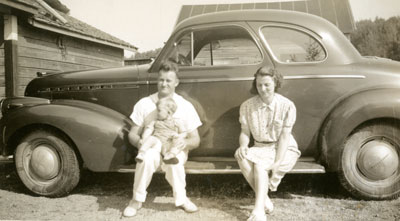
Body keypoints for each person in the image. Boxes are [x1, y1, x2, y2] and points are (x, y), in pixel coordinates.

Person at [123, 61, 202, 217]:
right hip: (153, 146)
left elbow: (196, 139)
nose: (164, 84)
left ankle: (182, 199)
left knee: (175, 162)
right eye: (161, 80)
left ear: (176, 83)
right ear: (157, 80)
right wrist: (139, 143)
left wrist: (184, 142)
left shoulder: (185, 106)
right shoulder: (144, 104)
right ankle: (136, 200)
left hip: (173, 148)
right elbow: (132, 133)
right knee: (146, 158)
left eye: (168, 80)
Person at [235, 67, 301, 221]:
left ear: (275, 83)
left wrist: (278, 162)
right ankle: (264, 199)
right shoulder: (247, 106)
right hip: (260, 147)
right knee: (241, 156)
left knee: (259, 165)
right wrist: (243, 145)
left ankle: (258, 211)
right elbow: (245, 132)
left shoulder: (287, 105)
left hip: (283, 148)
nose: (263, 89)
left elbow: (285, 137)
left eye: (267, 85)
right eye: (259, 85)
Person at [135, 97, 187, 164]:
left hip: (168, 142)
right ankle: (141, 153)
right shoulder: (155, 121)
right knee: (151, 138)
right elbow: (148, 130)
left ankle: (170, 155)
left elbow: (184, 132)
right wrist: (144, 138)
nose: (157, 113)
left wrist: (179, 136)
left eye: (159, 110)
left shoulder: (176, 122)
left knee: (178, 142)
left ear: (169, 112)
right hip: (157, 142)